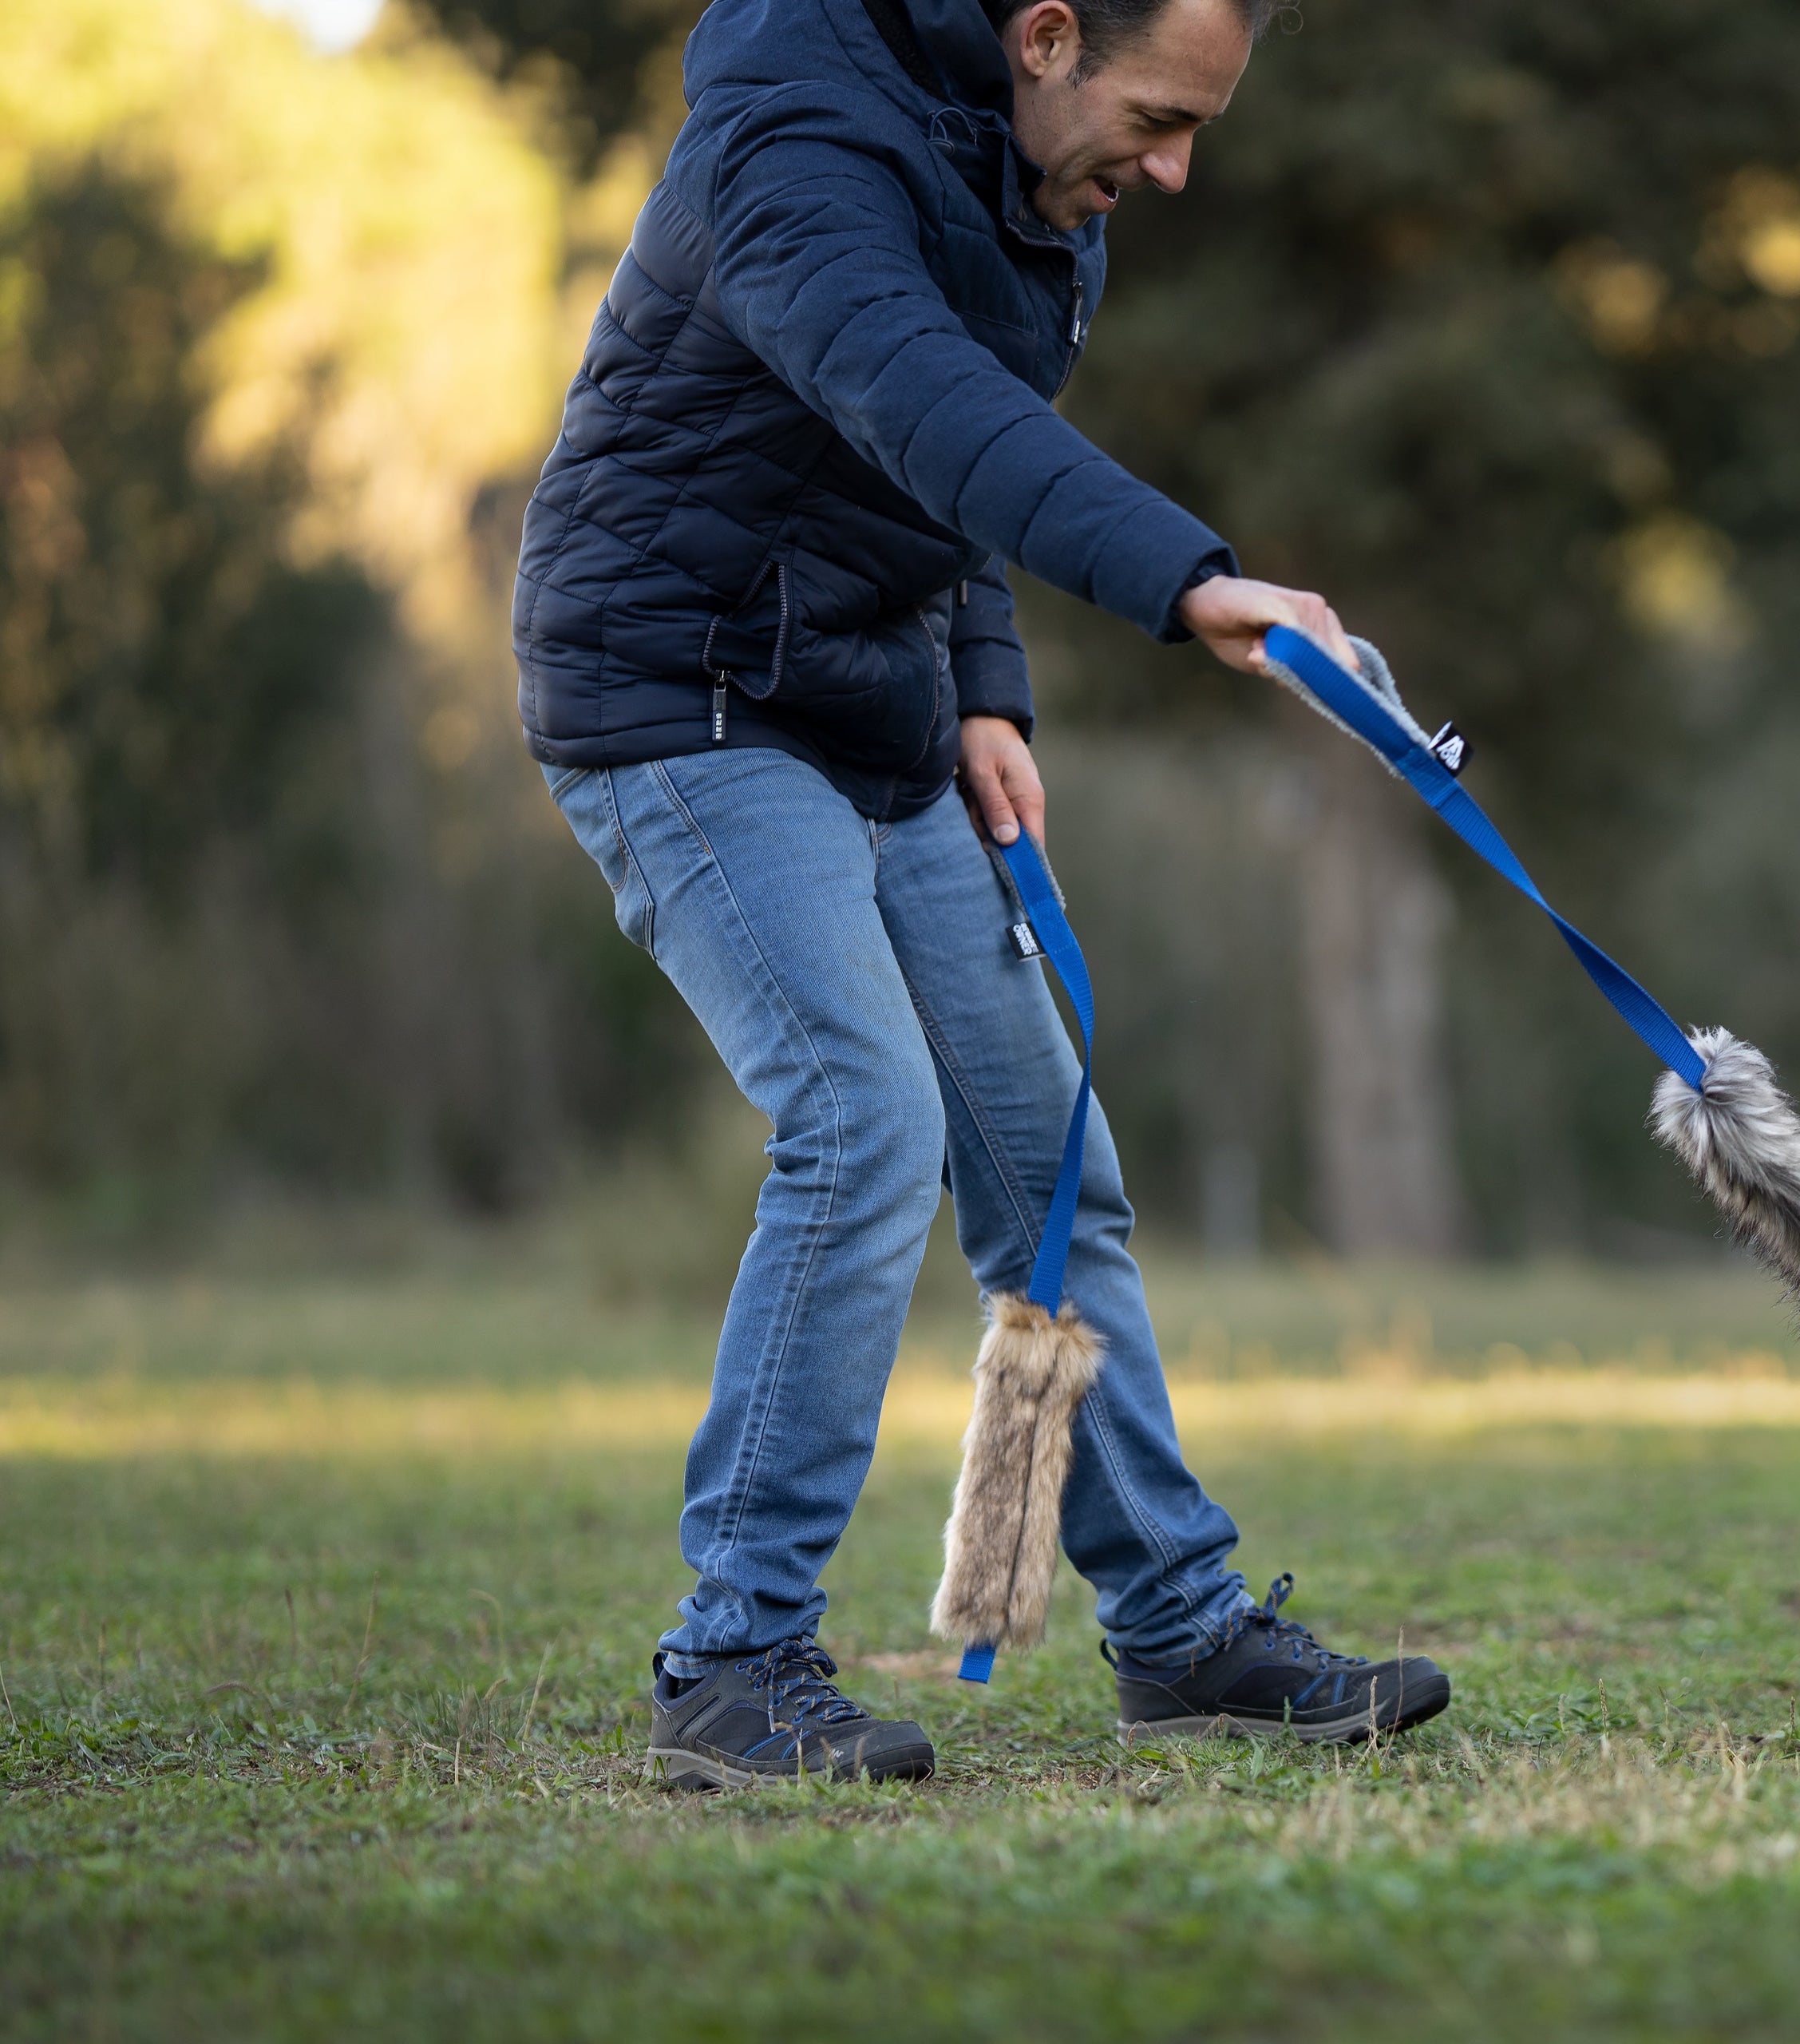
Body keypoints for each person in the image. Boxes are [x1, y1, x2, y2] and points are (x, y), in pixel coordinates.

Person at [513, 0, 1450, 1786]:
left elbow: (941, 473)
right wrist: (1190, 579)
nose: (1174, 168)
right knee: (862, 1114)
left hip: (876, 700)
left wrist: (988, 685)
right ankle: (731, 1658)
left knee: (1043, 1159)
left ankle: (1175, 1622)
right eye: (1162, 115)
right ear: (1042, 36)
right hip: (677, 690)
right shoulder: (794, 142)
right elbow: (917, 399)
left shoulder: (1027, 173)